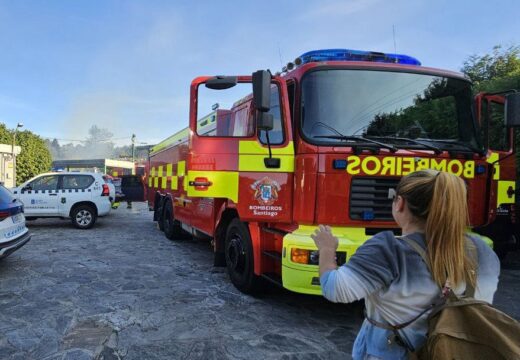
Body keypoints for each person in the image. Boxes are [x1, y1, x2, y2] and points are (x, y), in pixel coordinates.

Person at [311, 170, 500, 359]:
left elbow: (335, 289)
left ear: (400, 203)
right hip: (455, 352)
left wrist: (327, 249)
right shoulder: (482, 250)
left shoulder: (387, 249)